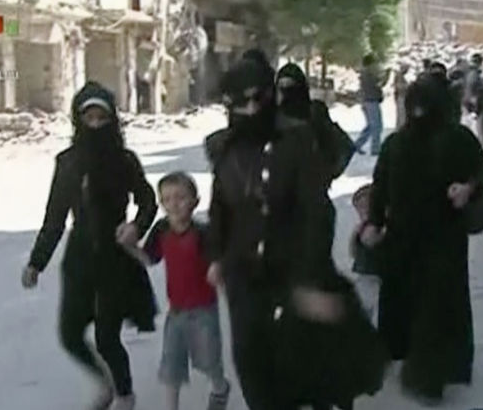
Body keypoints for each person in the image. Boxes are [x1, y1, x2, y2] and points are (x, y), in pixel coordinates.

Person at [205, 58, 387, 410]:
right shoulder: (225, 149)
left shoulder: (297, 141)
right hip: (244, 277)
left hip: (293, 270)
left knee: (311, 365)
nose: (251, 109)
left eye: (259, 99)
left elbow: (315, 214)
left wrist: (308, 281)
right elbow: (219, 208)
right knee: (254, 367)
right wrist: (215, 255)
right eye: (241, 103)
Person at [21, 81, 158, 410]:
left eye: (102, 118)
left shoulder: (125, 161)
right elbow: (54, 217)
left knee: (107, 337)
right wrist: (36, 262)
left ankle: (125, 395)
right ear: (78, 120)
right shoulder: (68, 162)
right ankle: (104, 383)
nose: (95, 125)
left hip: (115, 259)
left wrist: (135, 227)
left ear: (112, 120)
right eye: (89, 118)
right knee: (70, 335)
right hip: (79, 257)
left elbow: (148, 201)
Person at [361, 77, 483, 404]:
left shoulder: (454, 139)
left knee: (432, 306)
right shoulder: (399, 143)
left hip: (438, 238)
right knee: (417, 302)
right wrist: (374, 223)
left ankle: (427, 377)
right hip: (412, 238)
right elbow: (381, 187)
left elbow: (482, 171)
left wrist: (467, 188)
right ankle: (412, 359)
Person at [140, 172, 230, 410]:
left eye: (181, 197)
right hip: (176, 311)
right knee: (171, 367)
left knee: (209, 362)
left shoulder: (203, 233)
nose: (174, 204)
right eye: (167, 199)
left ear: (195, 201)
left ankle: (220, 387)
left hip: (203, 311)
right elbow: (148, 259)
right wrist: (128, 247)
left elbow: (217, 261)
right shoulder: (161, 230)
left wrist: (217, 270)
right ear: (161, 204)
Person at [349, 184, 383, 327]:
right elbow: (353, 252)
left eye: (365, 208)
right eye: (359, 210)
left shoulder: (379, 227)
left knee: (376, 313)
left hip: (376, 277)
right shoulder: (360, 229)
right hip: (363, 275)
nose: (362, 213)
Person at [354, 53, 388, 155]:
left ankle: (356, 145)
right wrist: (386, 76)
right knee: (377, 126)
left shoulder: (365, 73)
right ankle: (375, 149)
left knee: (370, 126)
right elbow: (379, 85)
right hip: (371, 102)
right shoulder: (368, 73)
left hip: (367, 101)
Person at [394, 63, 410, 129]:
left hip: (402, 97)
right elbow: (398, 86)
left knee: (401, 116)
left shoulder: (401, 76)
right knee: (402, 116)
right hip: (401, 98)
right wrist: (408, 87)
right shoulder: (399, 76)